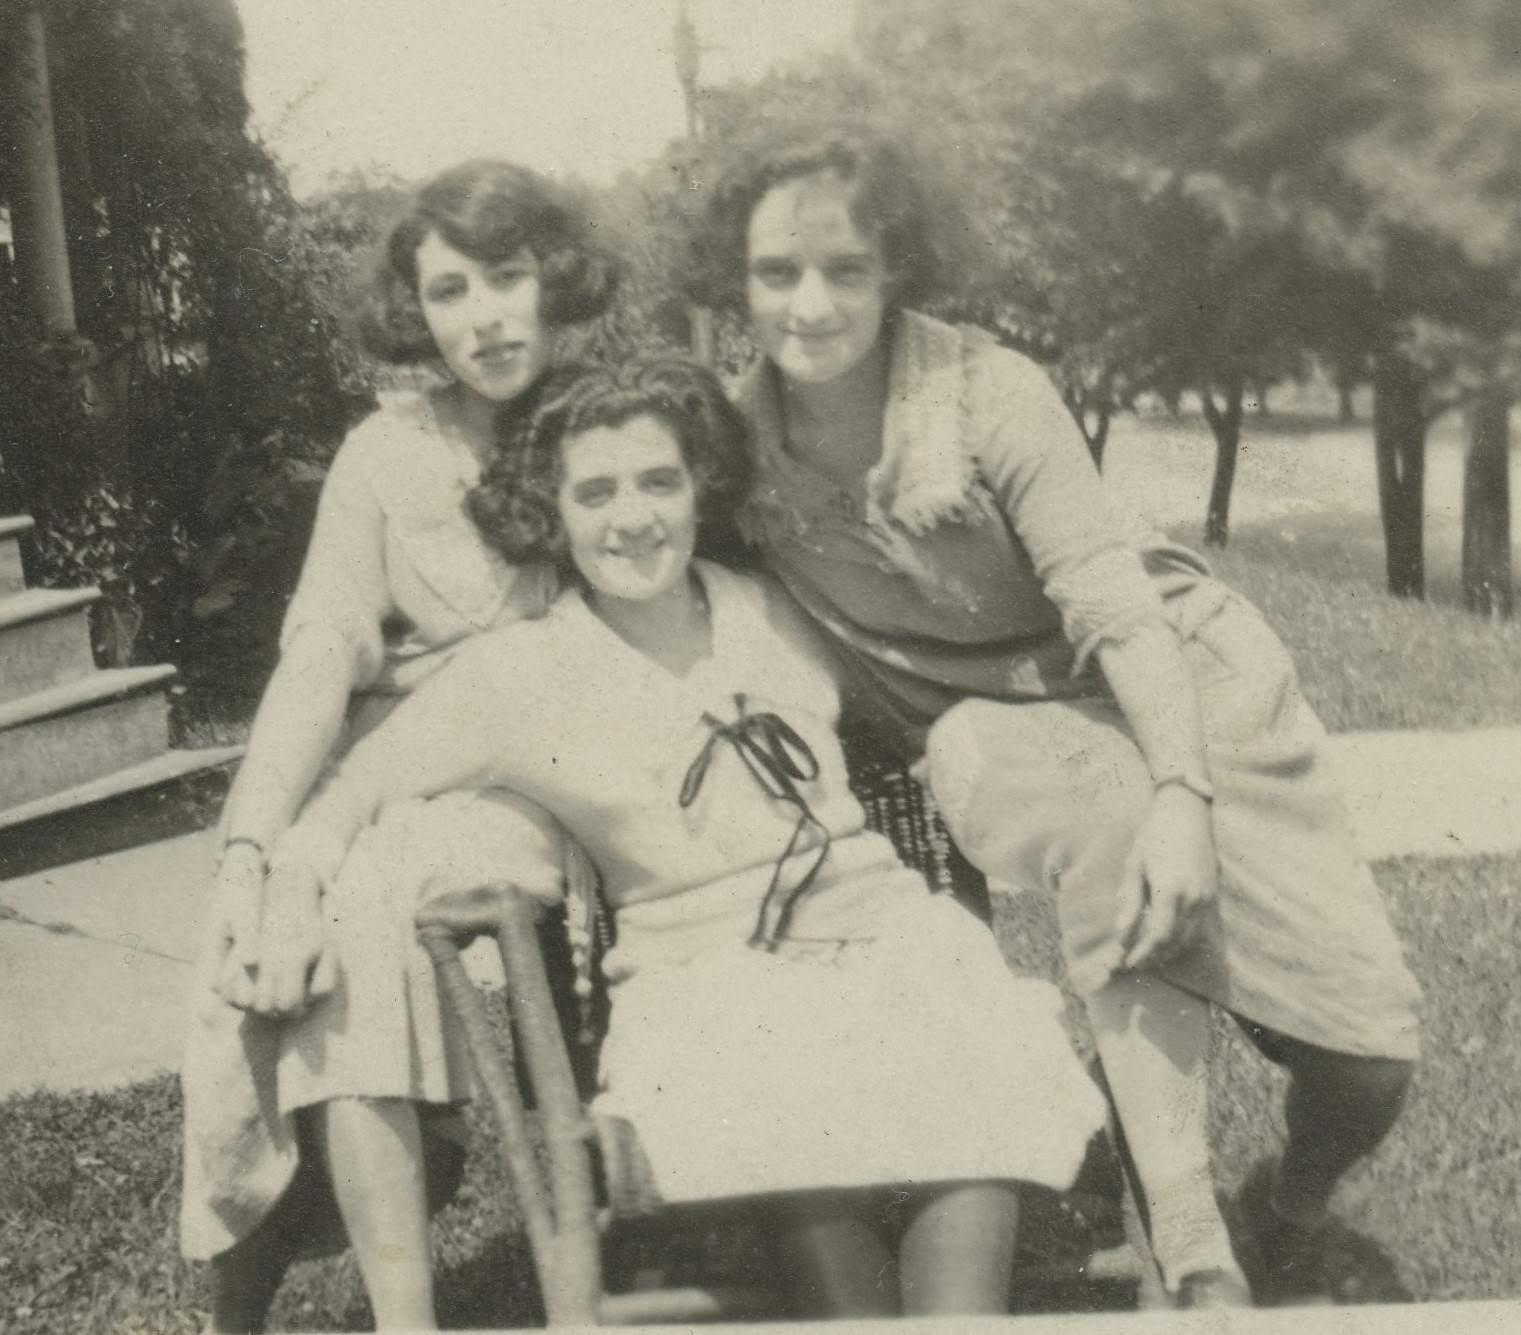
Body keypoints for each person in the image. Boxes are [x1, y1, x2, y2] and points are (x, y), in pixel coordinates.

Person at [689, 121, 1422, 1309]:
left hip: (1184, 687)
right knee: (1102, 817)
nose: (811, 306)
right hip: (995, 726)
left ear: (898, 273)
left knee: (1371, 1058)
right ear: (736, 278)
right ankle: (1195, 1256)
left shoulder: (989, 394)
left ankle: (1284, 1206)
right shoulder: (731, 446)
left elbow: (1117, 610)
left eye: (847, 271)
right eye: (777, 273)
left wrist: (1188, 796)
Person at [257, 357, 1111, 1319]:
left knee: (963, 1095)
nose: (632, 518)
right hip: (712, 979)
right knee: (792, 1109)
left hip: (890, 940)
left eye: (659, 481)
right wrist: (289, 888)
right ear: (550, 508)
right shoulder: (517, 677)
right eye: (596, 491)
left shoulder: (778, 610)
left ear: (700, 485)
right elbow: (346, 791)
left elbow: (950, 663)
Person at [179, 159, 617, 1332]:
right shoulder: (385, 453)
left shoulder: (605, 425)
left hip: (538, 781)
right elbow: (322, 651)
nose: (483, 318)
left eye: (508, 279)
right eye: (449, 291)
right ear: (414, 312)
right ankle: (276, 1277)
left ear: (553, 279)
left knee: (362, 901)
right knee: (280, 912)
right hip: (382, 779)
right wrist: (249, 844)